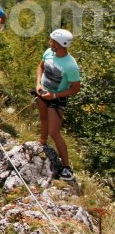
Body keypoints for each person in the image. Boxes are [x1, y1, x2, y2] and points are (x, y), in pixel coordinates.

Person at [35, 29, 81, 181]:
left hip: (57, 99)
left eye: (52, 41)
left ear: (60, 44)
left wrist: (54, 95)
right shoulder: (49, 52)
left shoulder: (71, 66)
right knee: (43, 120)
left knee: (54, 133)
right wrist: (38, 85)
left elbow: (75, 88)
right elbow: (40, 67)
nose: (50, 43)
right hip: (43, 93)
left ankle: (66, 168)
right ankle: (41, 144)